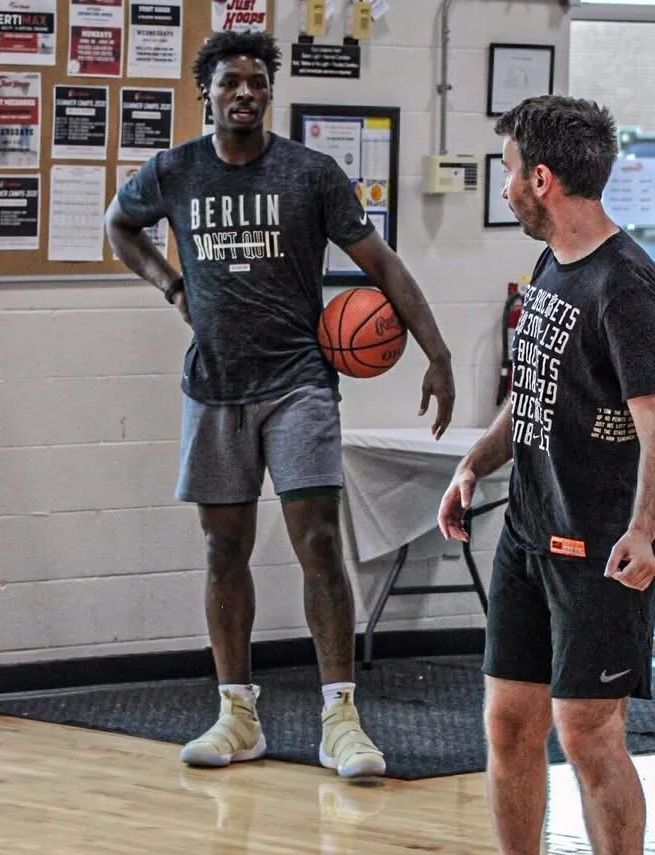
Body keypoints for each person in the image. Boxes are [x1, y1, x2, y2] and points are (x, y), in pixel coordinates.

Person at [104, 30, 455, 779]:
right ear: (207, 91)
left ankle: (341, 719)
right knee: (222, 550)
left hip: (299, 383)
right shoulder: (175, 172)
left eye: (257, 83)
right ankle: (237, 715)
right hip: (215, 386)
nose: (245, 94)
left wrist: (440, 352)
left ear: (270, 92)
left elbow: (382, 263)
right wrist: (172, 286)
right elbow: (118, 225)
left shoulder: (311, 174)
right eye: (231, 81)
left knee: (319, 544)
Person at [437, 95, 655, 855]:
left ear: (541, 179)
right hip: (529, 539)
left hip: (603, 549)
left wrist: (645, 530)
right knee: (509, 721)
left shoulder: (626, 283)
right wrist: (476, 464)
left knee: (588, 733)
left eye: (508, 170)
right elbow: (534, 395)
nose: (504, 184)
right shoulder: (552, 263)